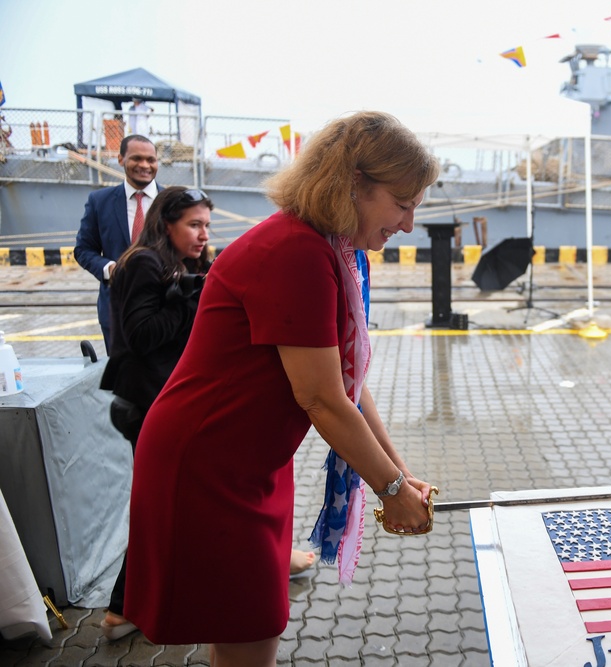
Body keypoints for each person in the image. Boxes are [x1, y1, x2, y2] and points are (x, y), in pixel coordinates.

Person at [124, 111, 439, 667]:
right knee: (251, 630)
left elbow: (347, 383)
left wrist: (399, 470)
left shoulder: (333, 250)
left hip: (250, 462)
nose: (410, 223)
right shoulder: (296, 251)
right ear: (354, 186)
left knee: (243, 630)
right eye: (403, 203)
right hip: (208, 463)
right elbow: (320, 399)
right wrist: (390, 492)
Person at [98, 186, 213, 641]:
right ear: (167, 224)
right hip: (144, 405)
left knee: (182, 501)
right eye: (193, 225)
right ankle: (121, 608)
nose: (203, 234)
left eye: (207, 224)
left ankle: (171, 591)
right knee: (159, 507)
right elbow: (140, 336)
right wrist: (188, 297)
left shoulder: (183, 265)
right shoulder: (144, 262)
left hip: (167, 403)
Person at [74, 135, 159, 351]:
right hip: (116, 313)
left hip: (163, 312)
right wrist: (108, 268)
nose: (144, 165)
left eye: (151, 159)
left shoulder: (174, 202)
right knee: (123, 380)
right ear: (121, 159)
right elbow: (84, 249)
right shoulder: (99, 202)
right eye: (136, 158)